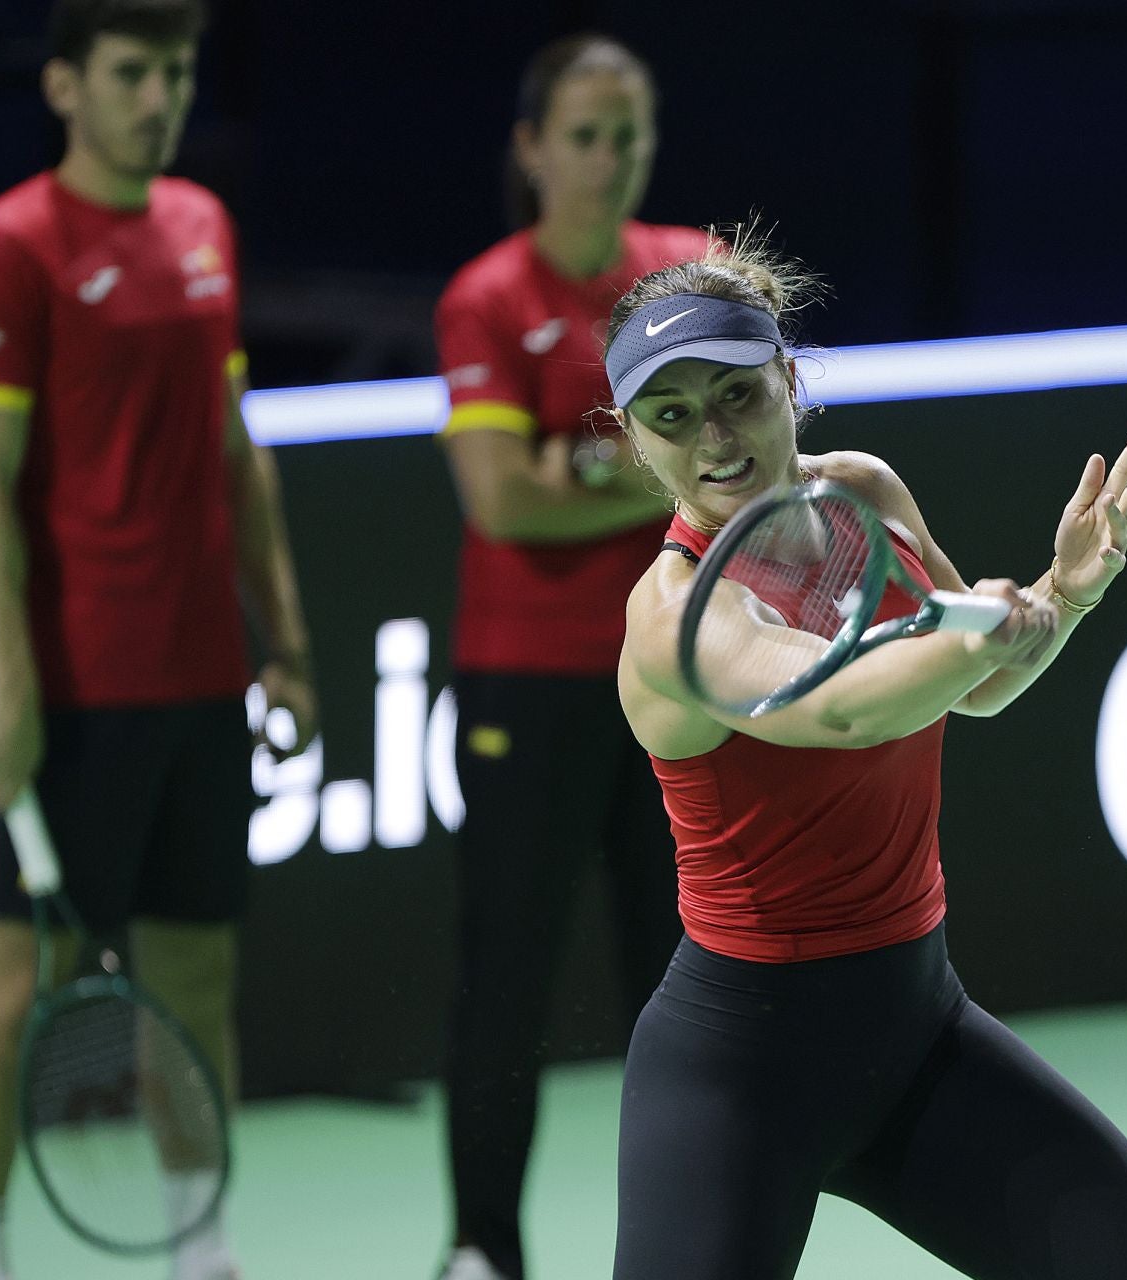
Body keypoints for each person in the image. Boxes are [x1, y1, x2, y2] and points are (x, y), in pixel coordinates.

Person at [606, 237, 1127, 1279]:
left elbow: (971, 688)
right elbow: (841, 708)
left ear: (788, 380)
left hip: (919, 1035)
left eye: (738, 395)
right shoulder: (675, 620)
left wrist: (1062, 599)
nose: (713, 436)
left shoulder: (864, 490)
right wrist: (971, 633)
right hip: (737, 1076)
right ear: (635, 441)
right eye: (671, 414)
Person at [0, 3, 317, 1279]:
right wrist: (12, 688)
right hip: (78, 690)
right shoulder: (1, 252)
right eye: (133, 73)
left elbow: (234, 449)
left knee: (195, 983)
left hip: (204, 678)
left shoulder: (204, 226)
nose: (161, 98)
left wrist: (287, 643)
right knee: (9, 985)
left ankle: (202, 1254)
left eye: (180, 72)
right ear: (63, 83)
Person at [429, 33, 708, 1280]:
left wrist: (584, 460)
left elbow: (730, 469)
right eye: (585, 136)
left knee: (694, 978)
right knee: (508, 977)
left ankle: (694, 1238)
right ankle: (487, 1248)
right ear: (532, 148)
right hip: (529, 682)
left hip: (680, 678)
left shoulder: (689, 277)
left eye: (628, 135)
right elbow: (504, 501)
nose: (610, 159)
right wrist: (643, 463)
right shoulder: (486, 298)